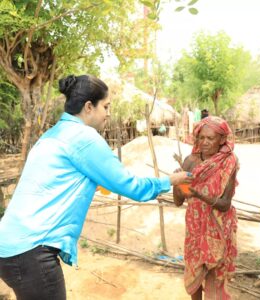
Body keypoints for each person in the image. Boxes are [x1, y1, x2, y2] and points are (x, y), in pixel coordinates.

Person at [0, 74, 193, 300]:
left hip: (9, 246)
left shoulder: (52, 135)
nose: (109, 114)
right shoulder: (85, 138)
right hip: (33, 252)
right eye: (106, 106)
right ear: (89, 106)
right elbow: (132, 186)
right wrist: (170, 180)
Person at [173, 116, 238, 300]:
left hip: (218, 226)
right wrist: (177, 184)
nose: (205, 142)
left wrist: (199, 194)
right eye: (201, 138)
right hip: (195, 227)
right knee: (194, 269)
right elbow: (178, 201)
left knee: (214, 272)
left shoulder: (229, 162)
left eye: (211, 138)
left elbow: (225, 204)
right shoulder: (190, 161)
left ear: (222, 140)